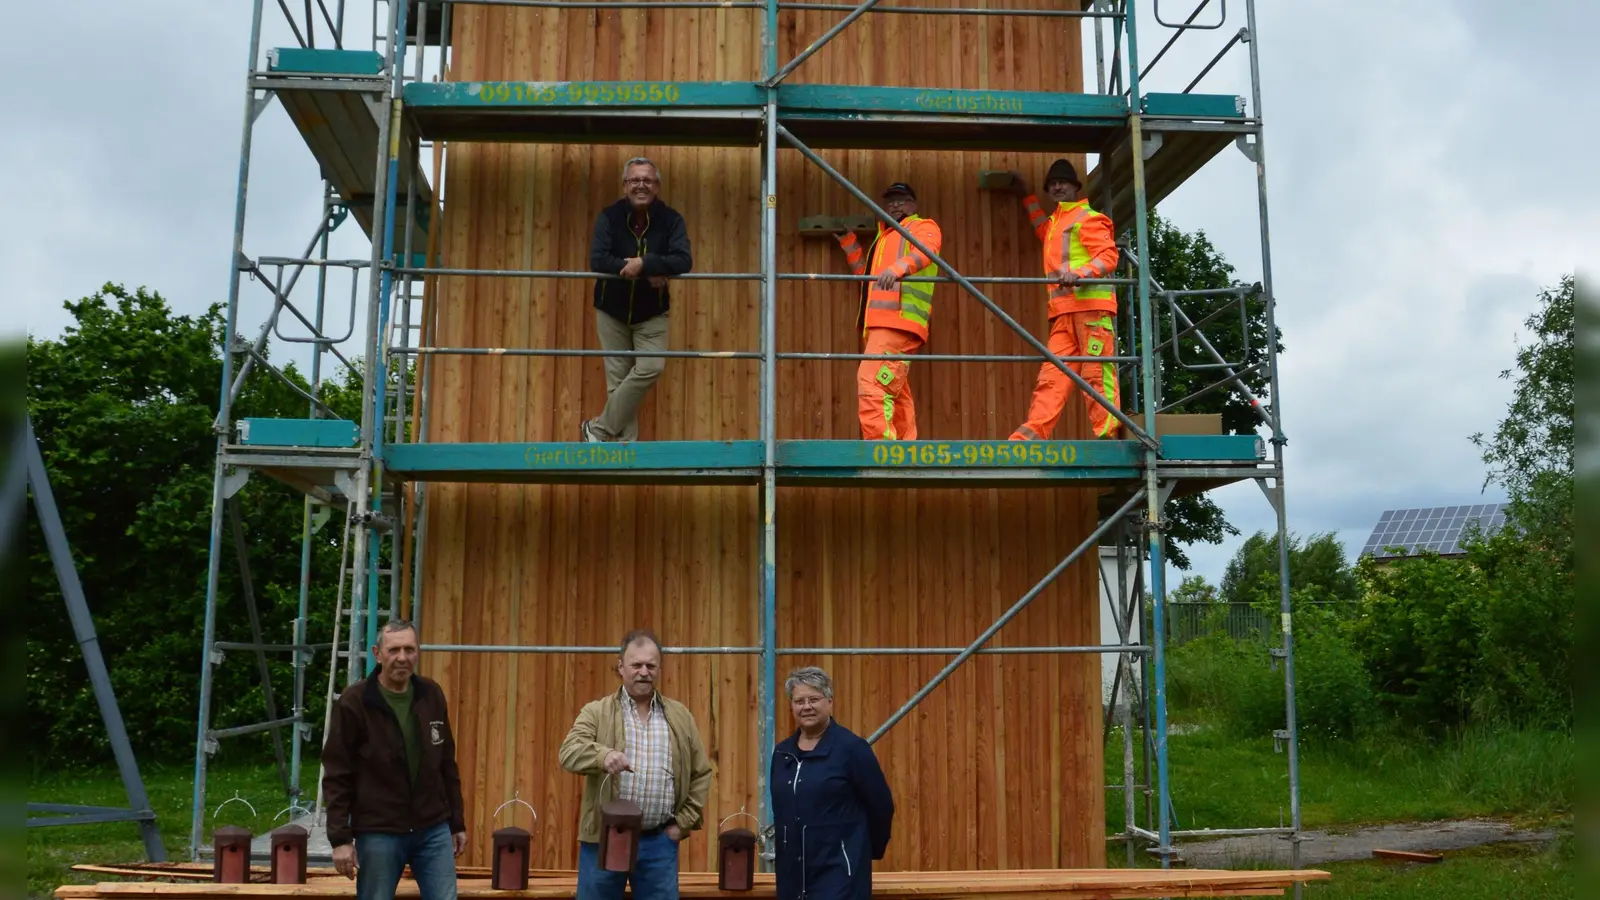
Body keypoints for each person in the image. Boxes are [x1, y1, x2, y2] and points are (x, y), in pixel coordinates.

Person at [559, 630, 715, 900]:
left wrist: (682, 824)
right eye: (636, 665)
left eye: (651, 665)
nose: (644, 672)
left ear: (658, 668)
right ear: (621, 667)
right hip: (604, 841)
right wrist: (602, 756)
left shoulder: (680, 716)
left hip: (659, 843)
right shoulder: (596, 712)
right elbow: (568, 753)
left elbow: (701, 773)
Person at [321, 619, 467, 900]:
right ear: (378, 654)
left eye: (410, 650)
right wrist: (340, 839)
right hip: (379, 831)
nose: (403, 657)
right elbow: (337, 773)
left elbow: (447, 763)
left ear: (418, 652)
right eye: (394, 650)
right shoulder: (356, 702)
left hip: (432, 828)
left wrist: (457, 822)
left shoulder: (431, 694)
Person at [1006, 159, 1122, 440]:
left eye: (1062, 183)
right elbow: (1041, 229)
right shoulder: (1057, 223)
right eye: (1053, 184)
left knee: (1096, 373)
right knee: (1052, 376)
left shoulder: (1087, 217)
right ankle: (1033, 433)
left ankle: (1109, 436)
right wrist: (1026, 196)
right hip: (1064, 312)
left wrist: (1080, 273)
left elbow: (1109, 257)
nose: (1057, 187)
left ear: (1075, 187)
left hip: (1091, 311)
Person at [582, 158, 694, 443]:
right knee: (618, 382)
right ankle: (625, 447)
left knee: (651, 367)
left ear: (657, 186)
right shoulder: (609, 217)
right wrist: (647, 271)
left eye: (647, 180)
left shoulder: (672, 220)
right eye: (635, 180)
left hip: (652, 313)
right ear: (624, 186)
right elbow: (598, 259)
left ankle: (598, 429)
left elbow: (684, 260)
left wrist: (646, 263)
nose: (641, 185)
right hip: (611, 310)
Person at [770, 667, 894, 900]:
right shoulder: (782, 753)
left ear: (829, 701)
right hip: (792, 877)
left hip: (839, 876)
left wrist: (861, 851)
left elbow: (881, 806)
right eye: (799, 701)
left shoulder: (852, 749)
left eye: (814, 699)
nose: (806, 707)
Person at [831, 182, 942, 441]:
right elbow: (868, 279)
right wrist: (849, 243)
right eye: (890, 200)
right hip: (882, 325)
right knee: (894, 387)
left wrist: (896, 269)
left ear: (913, 204)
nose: (895, 205)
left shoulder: (924, 227)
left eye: (901, 200)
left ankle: (880, 447)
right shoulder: (884, 239)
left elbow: (926, 253)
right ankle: (905, 445)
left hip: (899, 321)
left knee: (870, 381)